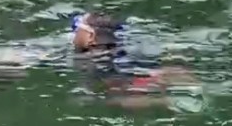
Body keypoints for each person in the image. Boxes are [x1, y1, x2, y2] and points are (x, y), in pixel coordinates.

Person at [70, 12, 200, 110]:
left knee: (111, 99)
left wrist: (94, 101)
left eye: (77, 30)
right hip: (141, 70)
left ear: (91, 36)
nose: (74, 35)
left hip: (131, 82)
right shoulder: (125, 45)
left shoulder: (90, 58)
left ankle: (168, 100)